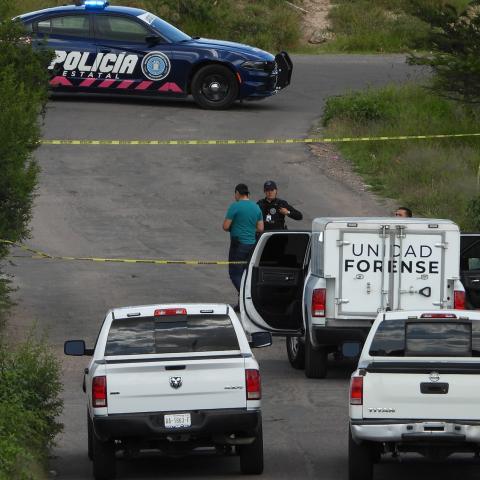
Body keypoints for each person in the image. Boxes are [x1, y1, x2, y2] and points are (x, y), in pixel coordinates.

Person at [223, 184, 264, 296]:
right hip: (251, 244)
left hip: (238, 244)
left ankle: (246, 296)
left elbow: (225, 226)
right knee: (246, 273)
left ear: (237, 193)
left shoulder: (235, 206)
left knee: (235, 273)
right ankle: (242, 301)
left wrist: (236, 226)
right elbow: (260, 228)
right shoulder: (256, 207)